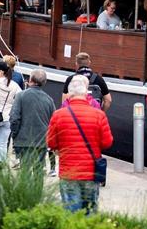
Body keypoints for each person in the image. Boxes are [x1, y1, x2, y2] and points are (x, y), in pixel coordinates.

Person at [46, 74, 113, 214]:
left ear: (69, 94)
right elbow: (107, 142)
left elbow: (51, 143)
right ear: (85, 92)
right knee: (90, 212)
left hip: (68, 172)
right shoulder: (99, 115)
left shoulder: (58, 115)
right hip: (90, 171)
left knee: (71, 213)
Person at [10, 67, 56, 173]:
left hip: (23, 139)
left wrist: (15, 134)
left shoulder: (20, 96)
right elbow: (53, 122)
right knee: (38, 172)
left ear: (30, 80)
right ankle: (37, 190)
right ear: (44, 82)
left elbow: (14, 118)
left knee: (24, 172)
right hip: (41, 141)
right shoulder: (49, 100)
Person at [0, 62, 22, 163]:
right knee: (2, 143)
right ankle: (2, 164)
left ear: (0, 72)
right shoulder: (14, 85)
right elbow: (20, 97)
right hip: (8, 116)